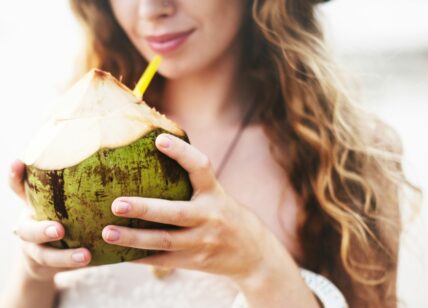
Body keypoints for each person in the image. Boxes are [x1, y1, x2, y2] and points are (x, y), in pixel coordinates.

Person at [1, 0, 419, 307]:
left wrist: (258, 263)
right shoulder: (65, 140)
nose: (152, 9)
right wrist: (34, 272)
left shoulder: (353, 158)